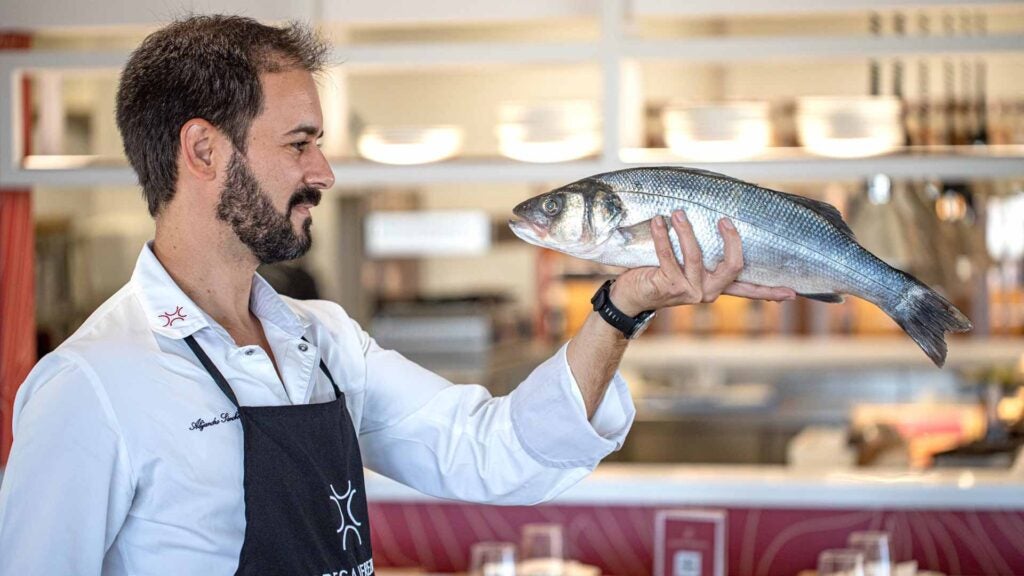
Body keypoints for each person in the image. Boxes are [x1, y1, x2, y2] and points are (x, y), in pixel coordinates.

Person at [0, 15, 796, 575]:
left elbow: (496, 456)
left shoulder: (322, 343)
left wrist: (624, 305)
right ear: (204, 150)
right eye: (300, 143)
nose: (324, 173)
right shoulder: (91, 386)